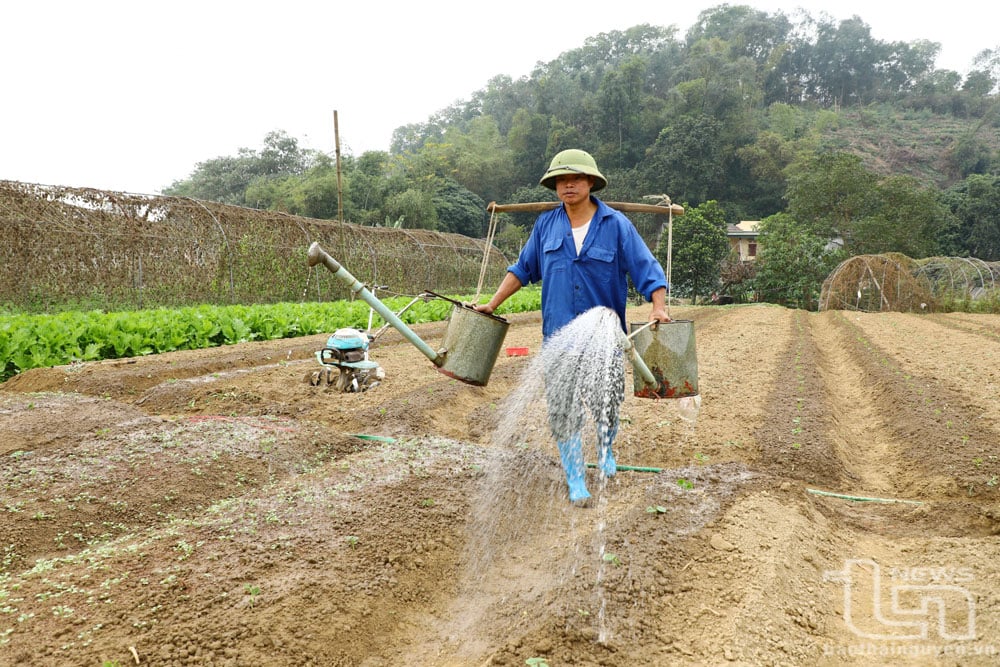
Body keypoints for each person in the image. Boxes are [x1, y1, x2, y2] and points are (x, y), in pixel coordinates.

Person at [475, 149, 670, 505]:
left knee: (607, 403)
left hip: (604, 338)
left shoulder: (616, 226)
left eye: (576, 178)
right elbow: (522, 269)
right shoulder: (546, 226)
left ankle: (607, 451)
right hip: (559, 337)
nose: (568, 185)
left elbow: (647, 268)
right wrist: (492, 303)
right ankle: (575, 477)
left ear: (591, 182)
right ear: (554, 186)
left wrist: (658, 306)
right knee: (563, 409)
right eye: (561, 180)